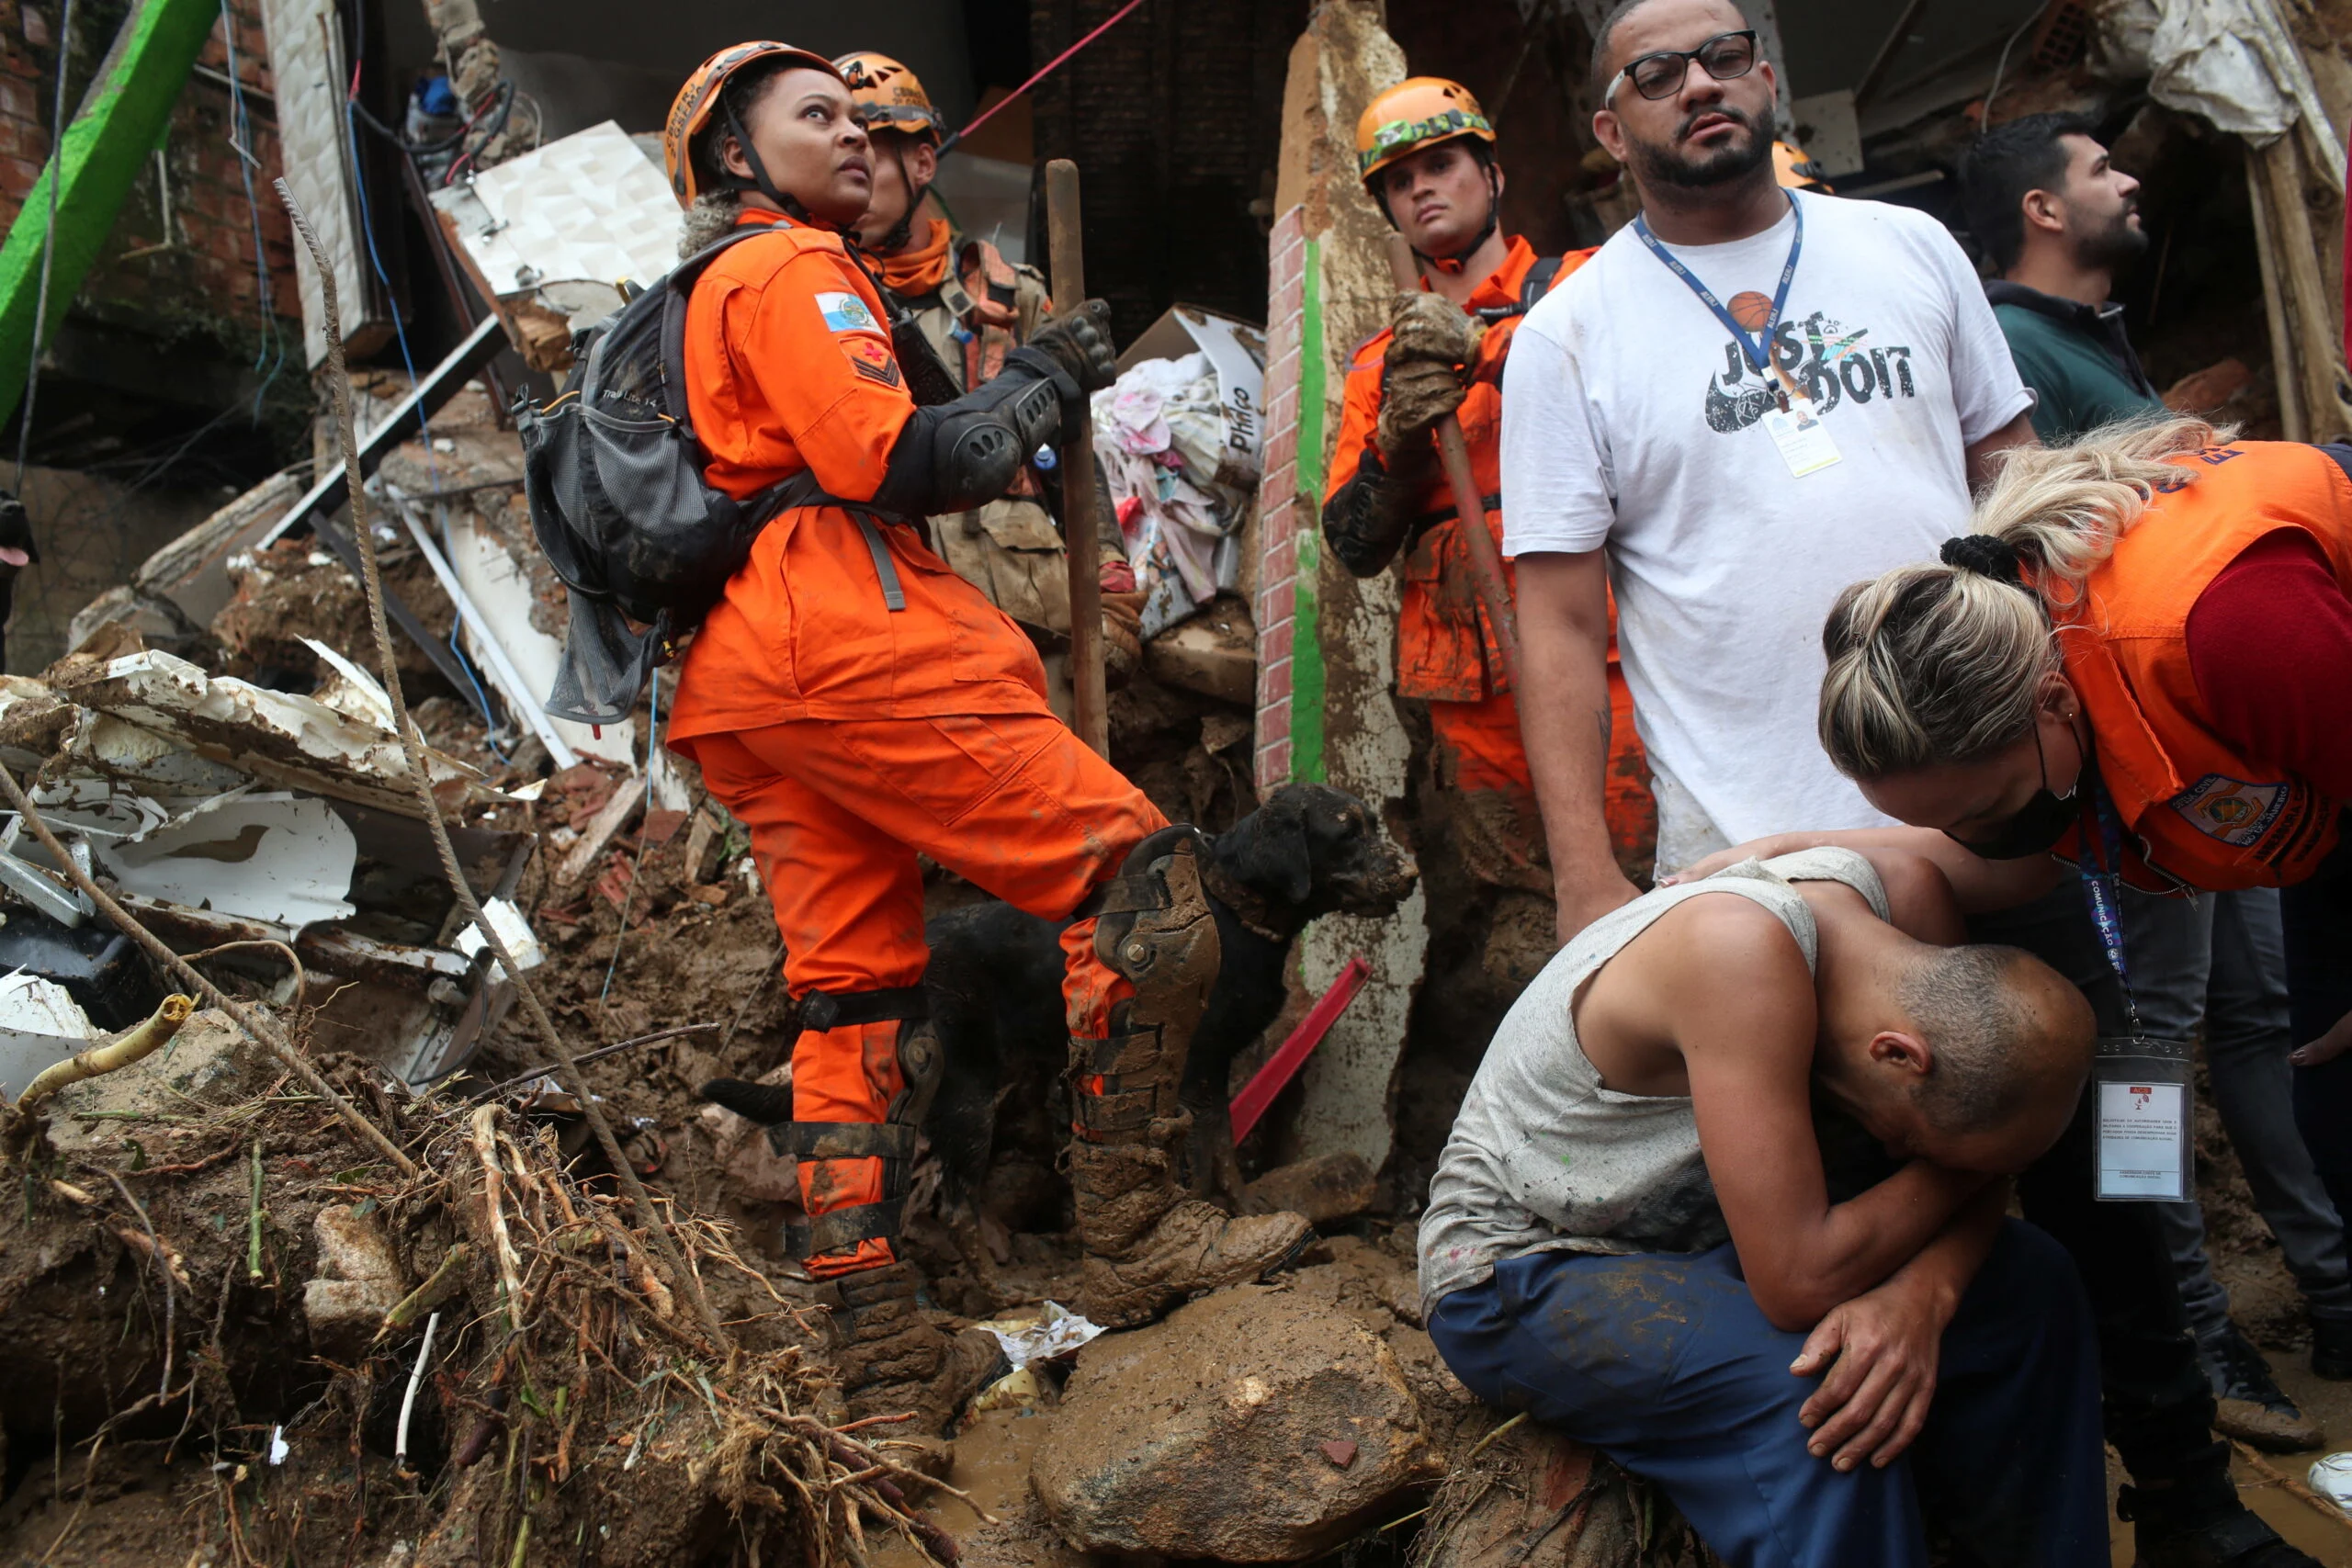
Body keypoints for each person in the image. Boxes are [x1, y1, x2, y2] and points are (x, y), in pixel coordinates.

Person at [1501, 3, 2311, 1562]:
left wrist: (2108, 739)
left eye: (1725, 50)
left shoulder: (1909, 250)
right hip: (1782, 881)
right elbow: (1554, 610)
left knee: (2124, 1145)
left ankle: (2190, 1492)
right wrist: (1588, 878)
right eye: (1652, 73)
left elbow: (2026, 497)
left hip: (2029, 824)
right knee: (1883, 1224)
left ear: (1769, 73)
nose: (1699, 85)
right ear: (1611, 131)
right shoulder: (1573, 333)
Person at [654, 42, 1309, 1428]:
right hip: (844, 634)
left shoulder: (698, 296)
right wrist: (1049, 377)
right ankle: (1135, 1233)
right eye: (813, 116)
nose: (851, 136)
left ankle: (883, 1354)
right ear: (732, 156)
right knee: (1146, 879)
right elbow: (904, 462)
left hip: (742, 678)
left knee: (851, 995)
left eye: (862, 117)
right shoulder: (786, 269)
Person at [1964, 112, 2352, 1450]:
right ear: (2040, 210)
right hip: (2136, 759)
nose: (2130, 179)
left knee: (2261, 1020)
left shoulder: (2088, 337)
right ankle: (2194, 1322)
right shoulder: (2015, 348)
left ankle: (2333, 1278)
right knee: (2144, 1053)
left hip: (2200, 752)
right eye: (2098, 168)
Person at [1421, 843, 2105, 1567]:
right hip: (1528, 1265)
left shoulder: (1910, 902)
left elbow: (1970, 1171)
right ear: (1898, 1055)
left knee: (2034, 1281)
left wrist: (1921, 1296)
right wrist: (1966, 1175)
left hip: (1719, 1236)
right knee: (1820, 1394)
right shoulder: (1736, 954)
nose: (1919, 1160)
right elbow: (1797, 1283)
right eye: (1926, 1147)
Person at [1321, 76, 1654, 908]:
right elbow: (1354, 545)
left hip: (1609, 653)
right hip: (1471, 687)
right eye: (1399, 180)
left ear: (1492, 174)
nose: (1422, 187)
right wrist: (1396, 439)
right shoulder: (1376, 364)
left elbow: (1651, 402)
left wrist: (1485, 346)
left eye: (1441, 163)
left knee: (1653, 881)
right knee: (1524, 910)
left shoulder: (1583, 285)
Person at [832, 51, 1125, 713]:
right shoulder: (823, 306)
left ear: (923, 164)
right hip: (899, 635)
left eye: (874, 153)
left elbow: (1073, 450)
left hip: (1032, 612)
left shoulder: (1008, 296)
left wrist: (1108, 568)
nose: (851, 173)